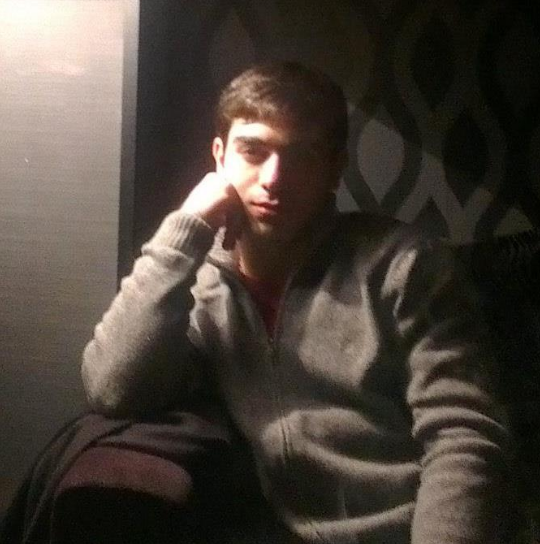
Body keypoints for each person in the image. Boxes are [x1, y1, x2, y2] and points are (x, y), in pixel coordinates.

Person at [81, 61, 515, 543]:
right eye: (253, 150)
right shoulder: (198, 288)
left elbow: (464, 436)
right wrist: (186, 228)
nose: (274, 178)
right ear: (220, 155)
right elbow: (111, 388)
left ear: (334, 169)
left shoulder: (404, 266)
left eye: (303, 155)